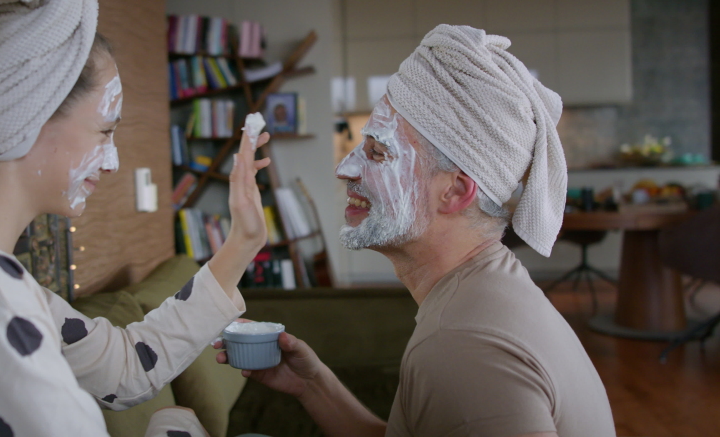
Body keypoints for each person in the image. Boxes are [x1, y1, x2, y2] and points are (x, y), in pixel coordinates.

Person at [0, 0, 269, 436]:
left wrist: (242, 240)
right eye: (104, 131)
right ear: (27, 115)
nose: (113, 161)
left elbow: (125, 368)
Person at [217, 25, 617, 437]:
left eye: (377, 151)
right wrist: (312, 385)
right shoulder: (485, 292)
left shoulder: (461, 347)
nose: (345, 168)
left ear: (455, 191)